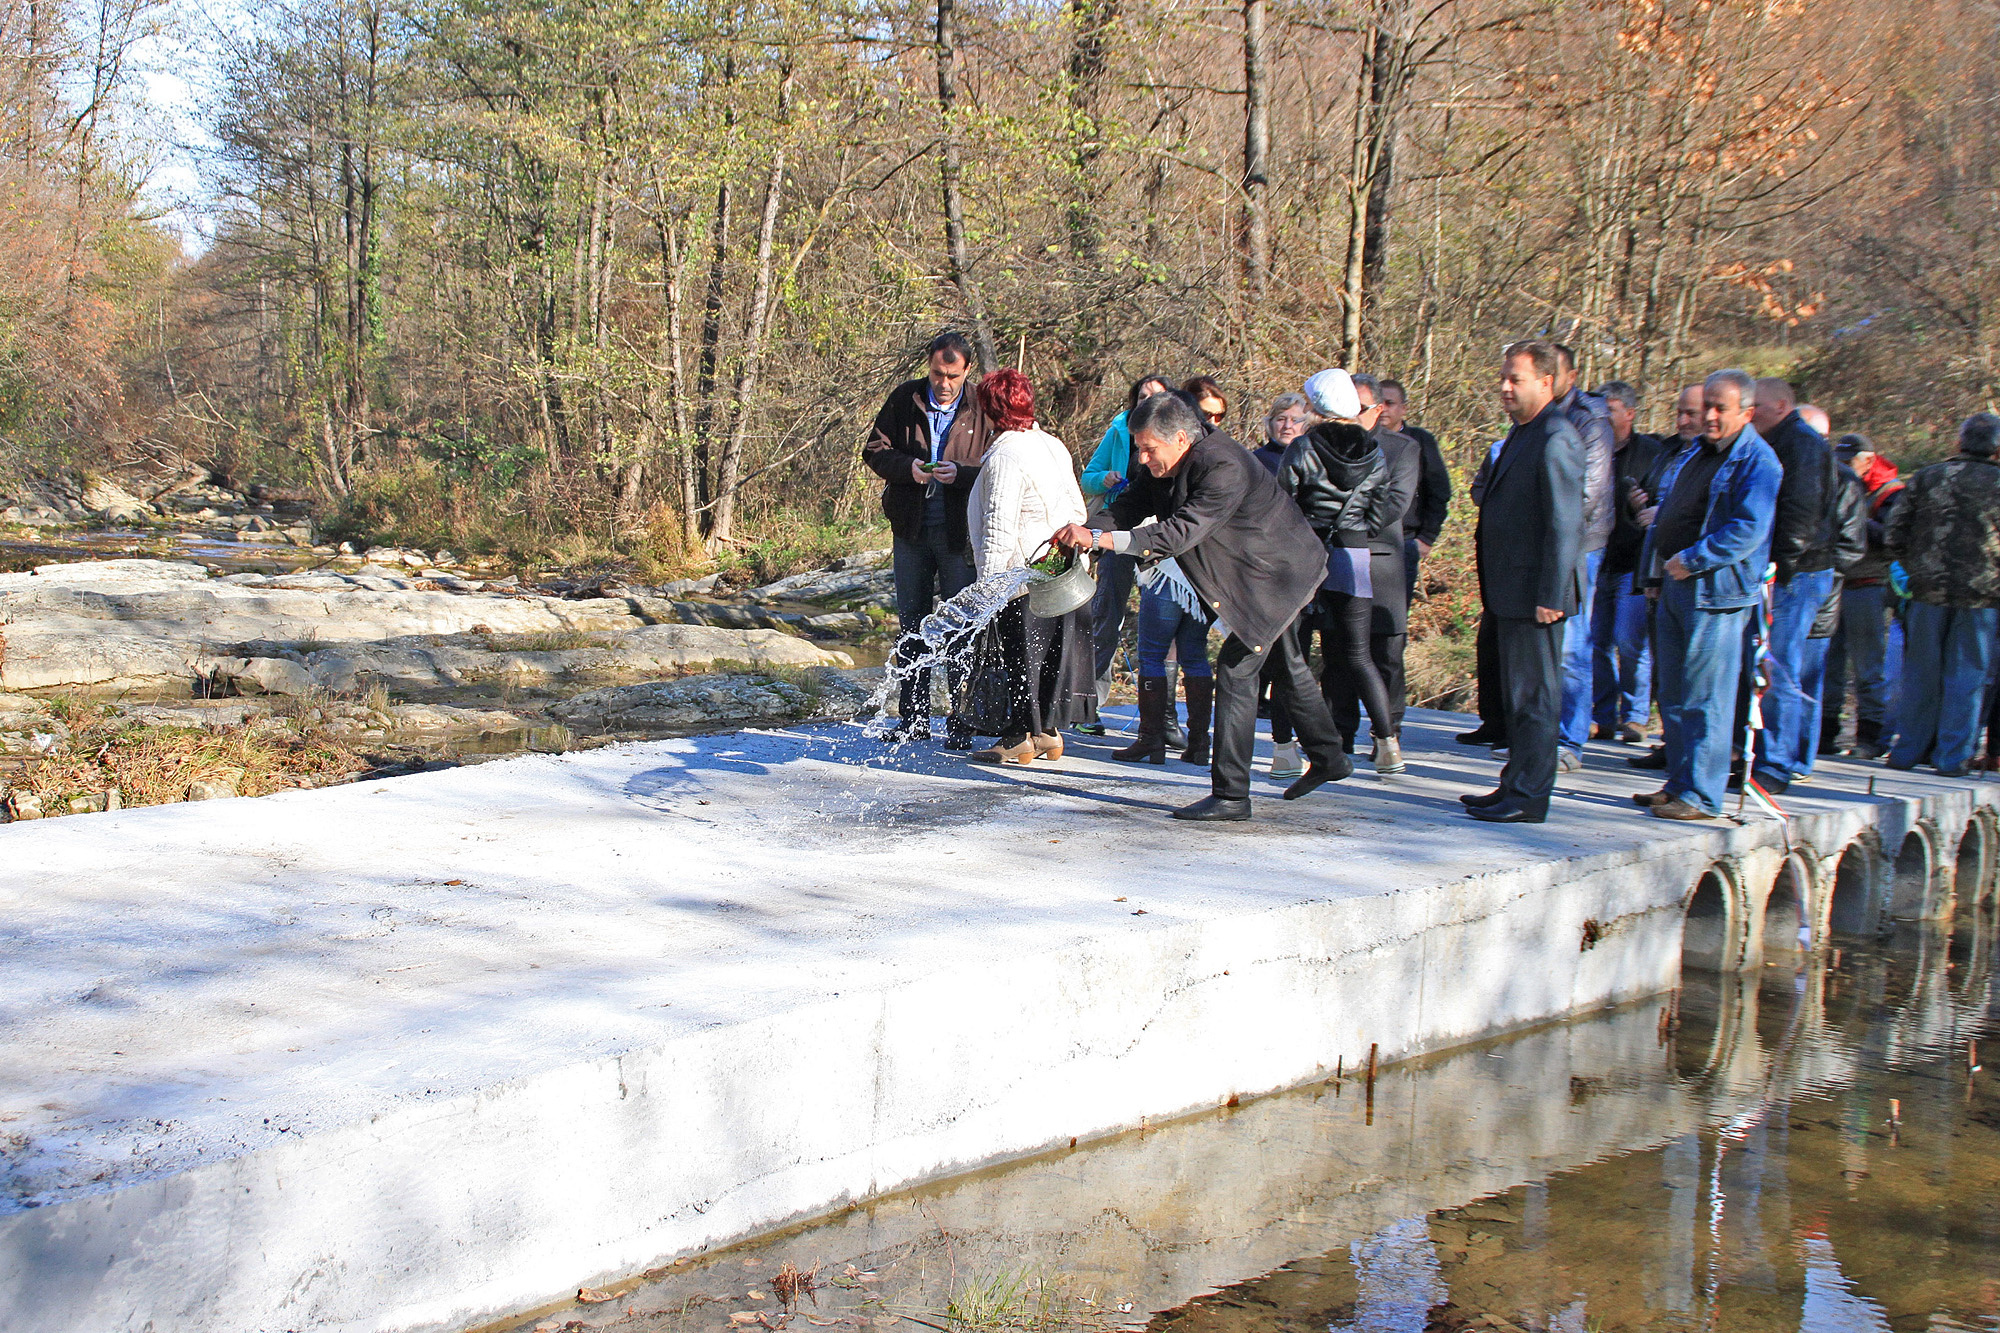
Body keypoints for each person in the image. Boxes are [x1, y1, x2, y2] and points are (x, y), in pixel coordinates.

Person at [1052, 389, 1353, 821]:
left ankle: (1232, 795)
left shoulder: (1223, 465)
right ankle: (1330, 758)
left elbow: (1178, 534)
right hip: (1257, 576)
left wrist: (1098, 541)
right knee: (1287, 665)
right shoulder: (1165, 462)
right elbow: (1127, 507)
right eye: (1139, 449)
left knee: (1236, 670)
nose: (1141, 460)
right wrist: (1082, 534)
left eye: (1148, 449)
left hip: (1278, 576)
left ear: (1178, 438)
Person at [1632, 370, 1781, 821]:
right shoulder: (1696, 453)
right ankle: (1679, 782)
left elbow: (1748, 529)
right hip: (1675, 584)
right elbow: (1669, 514)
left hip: (1715, 592)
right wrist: (1657, 572)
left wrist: (1694, 559)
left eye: (1721, 409)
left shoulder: (1759, 462)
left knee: (1705, 697)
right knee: (1673, 693)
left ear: (1747, 413)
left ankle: (1702, 794)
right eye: (1706, 407)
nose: (1709, 417)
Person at [1459, 341, 1585, 824]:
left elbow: (1565, 523)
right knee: (1518, 696)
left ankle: (1531, 795)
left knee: (1537, 697)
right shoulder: (1523, 433)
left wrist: (1552, 595)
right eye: (1504, 379)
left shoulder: (1556, 437)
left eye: (1517, 379)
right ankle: (1515, 782)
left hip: (1537, 595)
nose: (1506, 388)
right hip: (1508, 590)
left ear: (1547, 383)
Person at [863, 331, 993, 746]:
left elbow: (1000, 467)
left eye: (952, 376)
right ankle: (913, 719)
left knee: (961, 627)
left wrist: (963, 476)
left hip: (960, 531)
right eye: (938, 373)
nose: (944, 383)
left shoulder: (983, 406)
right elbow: (874, 450)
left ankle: (961, 720)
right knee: (912, 624)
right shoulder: (907, 398)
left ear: (967, 370)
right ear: (928, 366)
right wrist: (909, 468)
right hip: (911, 527)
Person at [962, 369, 1094, 764]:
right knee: (1050, 655)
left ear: (990, 410)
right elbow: (1078, 510)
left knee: (1021, 658)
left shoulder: (1006, 453)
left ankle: (1019, 737)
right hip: (1062, 573)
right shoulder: (1053, 444)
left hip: (1022, 574)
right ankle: (1049, 733)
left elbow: (998, 526)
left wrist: (988, 588)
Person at [1278, 373, 1402, 775]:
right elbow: (1380, 514)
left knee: (1290, 656)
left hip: (1304, 560)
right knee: (1359, 655)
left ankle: (1284, 752)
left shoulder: (1303, 447)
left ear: (1314, 407)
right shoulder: (1375, 452)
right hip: (1353, 557)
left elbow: (1281, 508)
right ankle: (1388, 747)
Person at [1883, 413, 2000, 777]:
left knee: (1920, 674)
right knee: (1967, 677)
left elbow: (1894, 533)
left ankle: (1907, 751)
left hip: (1927, 591)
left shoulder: (1927, 477)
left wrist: (1916, 568)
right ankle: (1953, 758)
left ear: (1959, 442)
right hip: (1982, 597)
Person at [1739, 377, 1838, 795]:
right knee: (1766, 665)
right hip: (1781, 568)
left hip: (1796, 572)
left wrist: (1780, 565)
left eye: (1755, 406)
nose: (1750, 413)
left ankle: (1777, 763)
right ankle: (1758, 756)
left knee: (1779, 666)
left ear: (1781, 405)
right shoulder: (1772, 441)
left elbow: (1800, 513)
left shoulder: (1802, 445)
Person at [1078, 374, 1175, 733]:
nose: (1147, 402)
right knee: (1107, 614)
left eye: (1156, 397)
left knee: (1164, 618)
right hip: (1119, 526)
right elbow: (1089, 477)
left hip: (1162, 533)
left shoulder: (1179, 438)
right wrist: (1104, 479)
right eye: (1142, 397)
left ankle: (1161, 718)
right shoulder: (1120, 429)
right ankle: (1088, 705)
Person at [1333, 373, 1419, 761]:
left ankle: (1388, 732)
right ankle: (1340, 731)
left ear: (1378, 409)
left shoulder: (1403, 449)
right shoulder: (1327, 444)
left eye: (1361, 407)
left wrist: (1339, 518)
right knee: (1337, 653)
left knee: (1385, 654)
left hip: (1380, 562)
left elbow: (1393, 505)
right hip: (1337, 559)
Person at [1626, 383, 1706, 772]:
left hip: (1700, 576)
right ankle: (1671, 745)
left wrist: (1664, 515)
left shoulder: (1721, 458)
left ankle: (1696, 763)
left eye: (1693, 413)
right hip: (1659, 567)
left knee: (1696, 676)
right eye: (1680, 412)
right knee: (1665, 666)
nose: (1684, 421)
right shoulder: (1669, 451)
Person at [1552, 345, 1617, 772]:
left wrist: (1551, 533)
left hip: (1580, 546)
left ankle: (1570, 739)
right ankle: (1540, 734)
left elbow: (1589, 494)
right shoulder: (1538, 419)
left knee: (1574, 644)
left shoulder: (1589, 421)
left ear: (1569, 376)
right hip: (1545, 544)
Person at [1821, 432, 1905, 759]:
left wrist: (1855, 521)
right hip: (1834, 581)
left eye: (1849, 461)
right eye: (1839, 461)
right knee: (1829, 664)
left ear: (1868, 460)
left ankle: (1871, 737)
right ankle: (1826, 733)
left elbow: (1893, 539)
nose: (1843, 467)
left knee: (1869, 667)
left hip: (1868, 584)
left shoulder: (1891, 493)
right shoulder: (1836, 483)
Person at [1591, 381, 1665, 745]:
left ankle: (1635, 716)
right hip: (1595, 559)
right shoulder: (1592, 449)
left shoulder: (1652, 453)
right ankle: (1601, 715)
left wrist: (1644, 509)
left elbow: (1661, 503)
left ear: (1630, 414)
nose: (1603, 419)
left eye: (1610, 412)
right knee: (1594, 642)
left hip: (1633, 563)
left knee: (1630, 640)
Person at [1377, 379, 1451, 608]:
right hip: (1366, 541)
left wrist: (1427, 537)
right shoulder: (1361, 440)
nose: (1384, 409)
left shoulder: (1419, 441)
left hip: (1405, 541)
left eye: (1390, 403)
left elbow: (1439, 491)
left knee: (1394, 619)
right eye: (1379, 403)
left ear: (1403, 409)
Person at [1255, 393, 1312, 475]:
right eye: (1281, 419)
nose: (1287, 426)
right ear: (1271, 423)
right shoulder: (1256, 461)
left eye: (1295, 420)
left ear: (1306, 425)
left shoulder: (1315, 459)